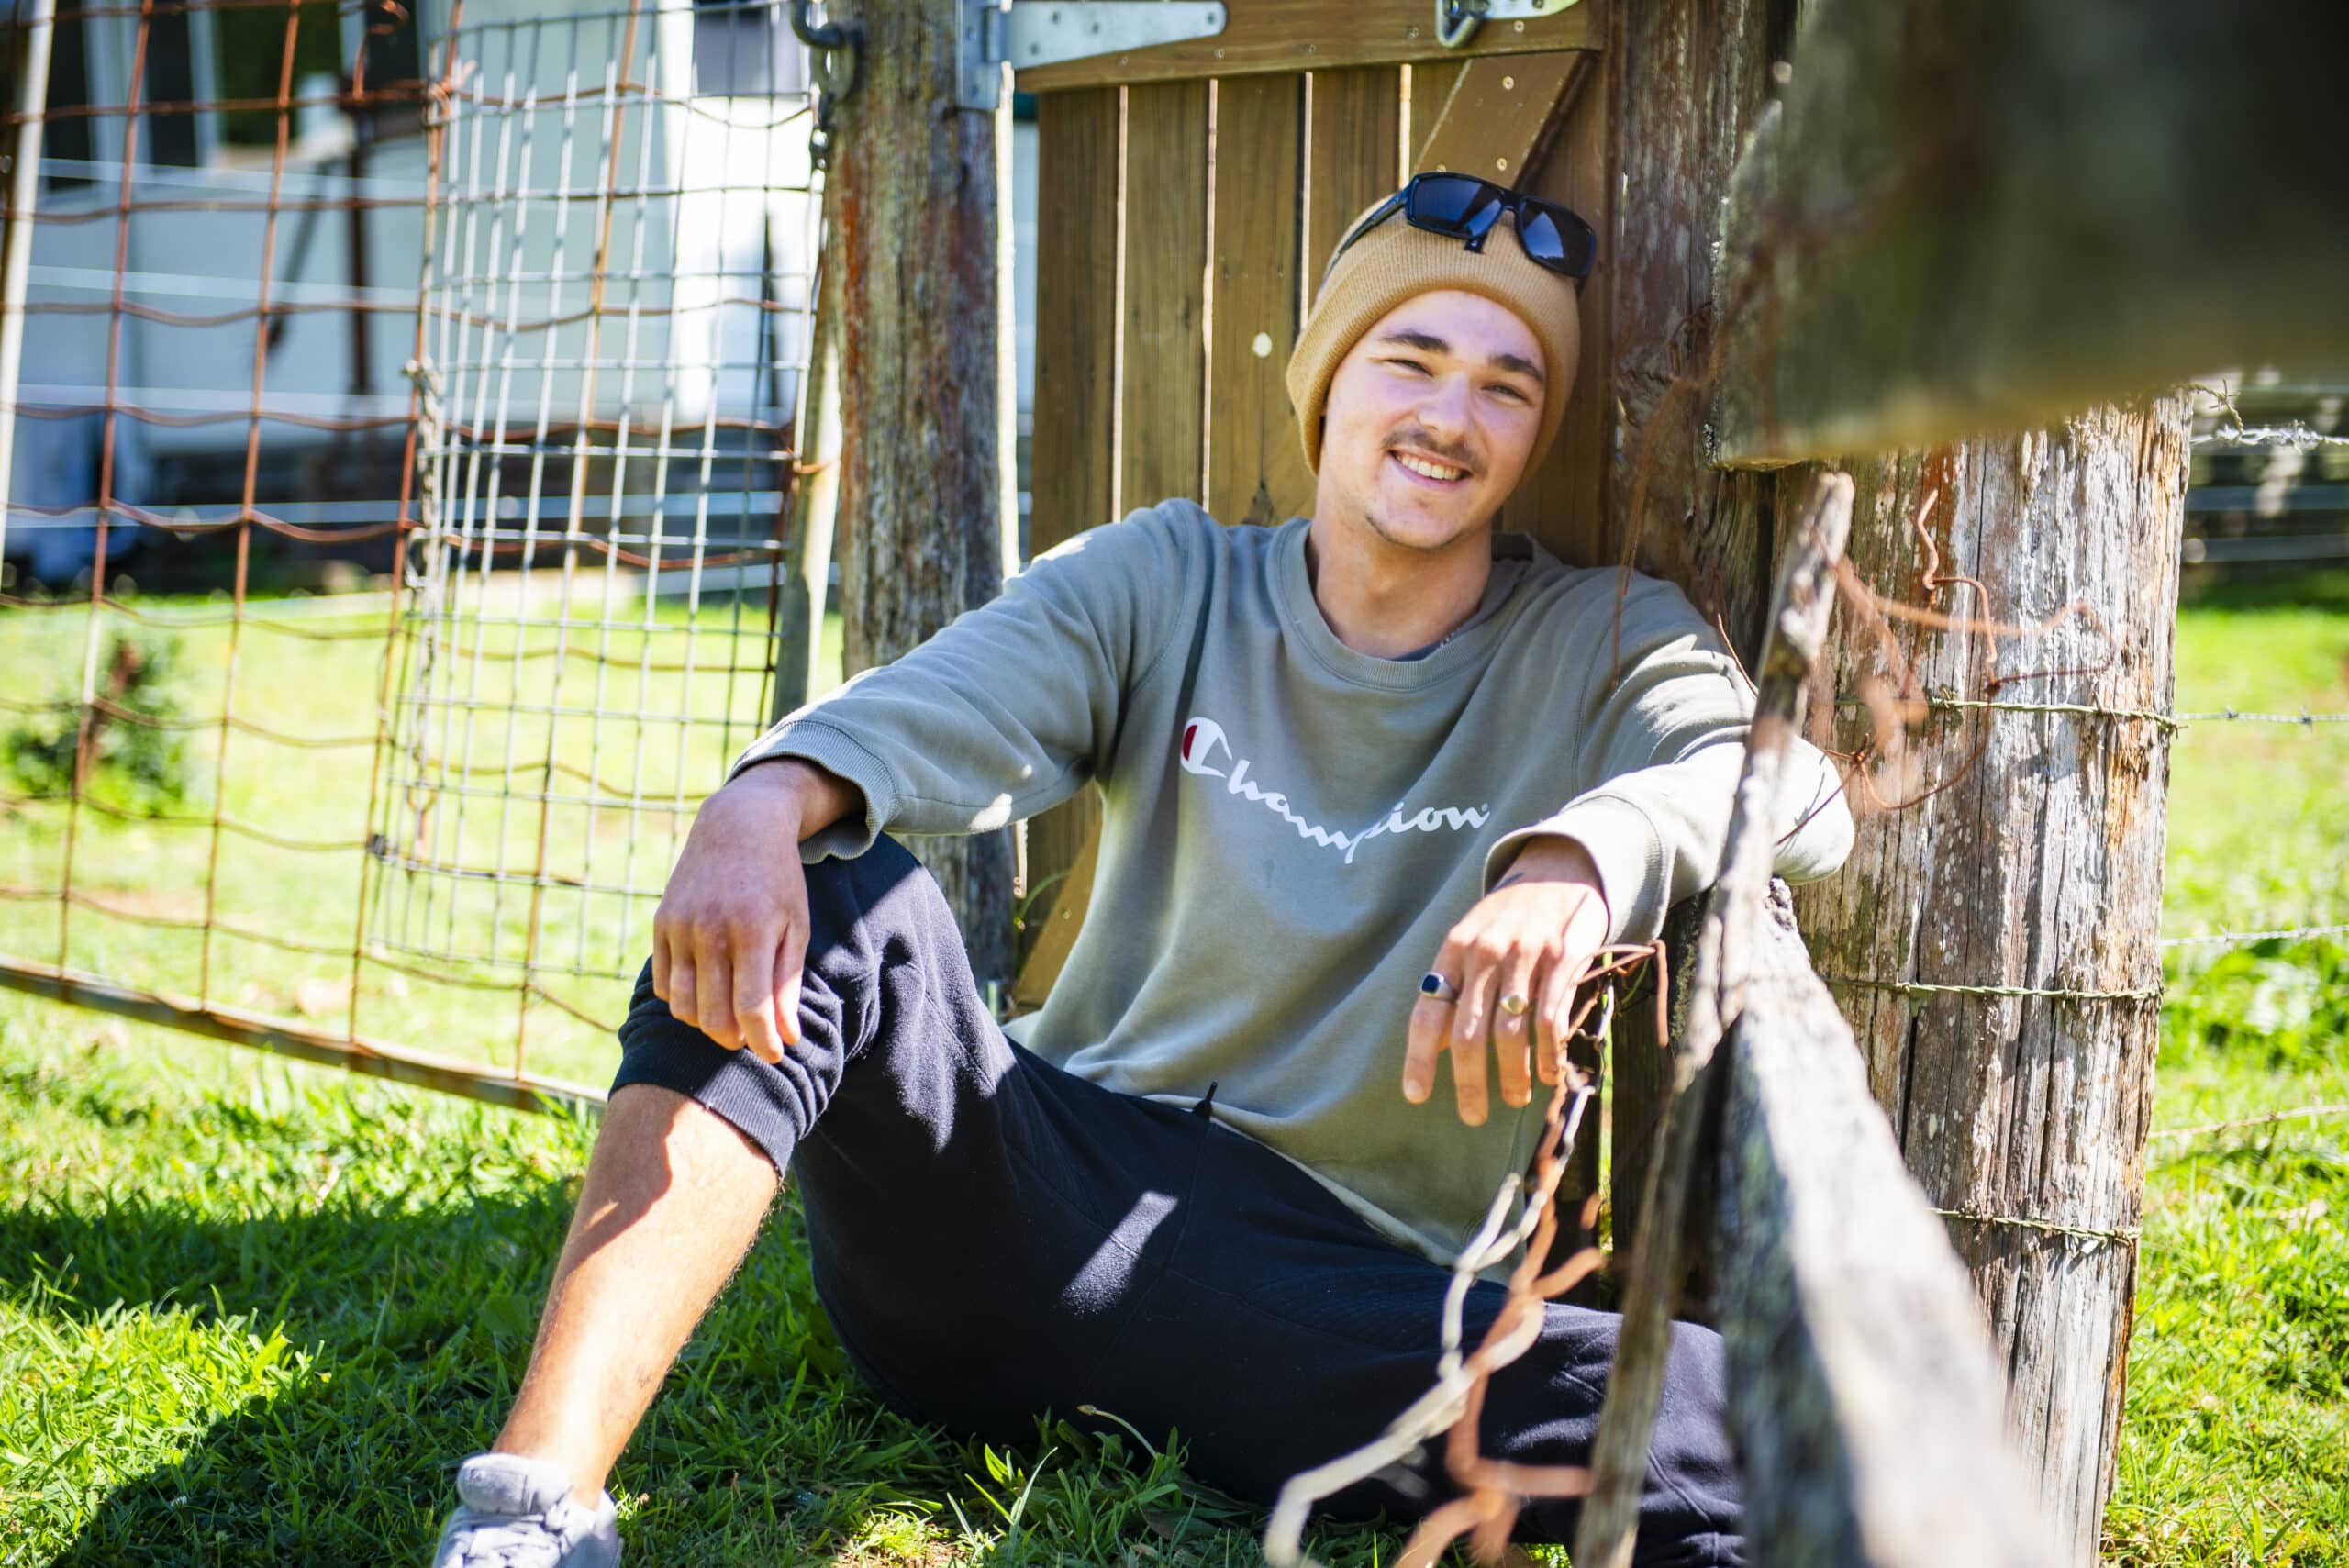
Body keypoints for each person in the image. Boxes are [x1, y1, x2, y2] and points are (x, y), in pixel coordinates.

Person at [430, 174, 1854, 1568]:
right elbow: (943, 705)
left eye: (1505, 384)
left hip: (1337, 1307)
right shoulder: (1166, 579)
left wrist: (1582, 855)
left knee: (1753, 1428)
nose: (1448, 415)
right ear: (1326, 379)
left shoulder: (1605, 645)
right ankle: (528, 1518)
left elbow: (1797, 788)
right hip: (1032, 1208)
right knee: (838, 895)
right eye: (1409, 359)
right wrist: (764, 794)